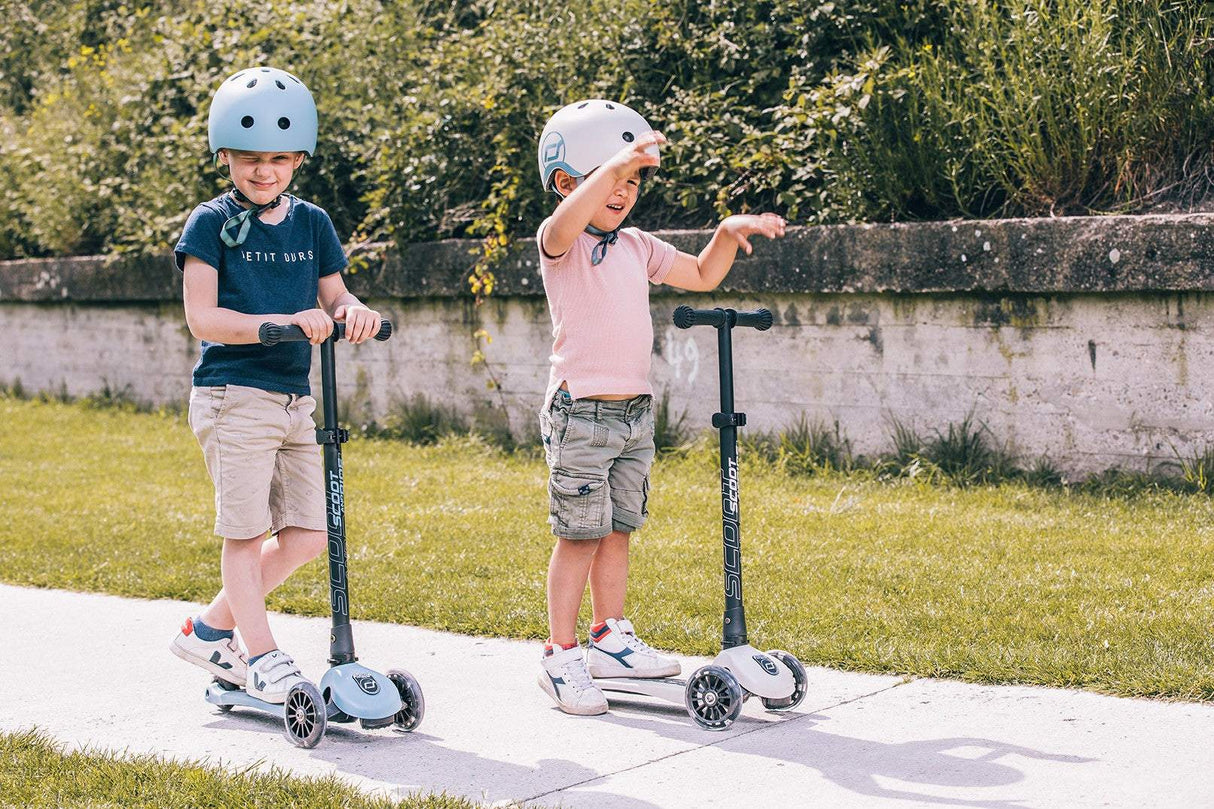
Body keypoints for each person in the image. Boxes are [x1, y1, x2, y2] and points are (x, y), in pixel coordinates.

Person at [534, 99, 786, 715]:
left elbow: (701, 274)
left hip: (632, 415)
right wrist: (613, 164)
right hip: (580, 414)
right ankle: (560, 655)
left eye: (632, 180)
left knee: (619, 528)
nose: (623, 191)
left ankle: (608, 637)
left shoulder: (637, 246)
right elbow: (564, 225)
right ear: (569, 183)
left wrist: (726, 233)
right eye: (611, 178)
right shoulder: (559, 244)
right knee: (579, 534)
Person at [169, 67, 382, 703]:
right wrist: (284, 322)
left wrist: (354, 312)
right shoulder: (209, 224)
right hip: (234, 394)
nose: (265, 172)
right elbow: (202, 318)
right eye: (250, 159)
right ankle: (260, 654)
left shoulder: (312, 223)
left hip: (296, 399)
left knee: (310, 535)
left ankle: (210, 630)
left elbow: (336, 295)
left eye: (280, 159)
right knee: (245, 533)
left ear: (298, 158)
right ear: (224, 156)